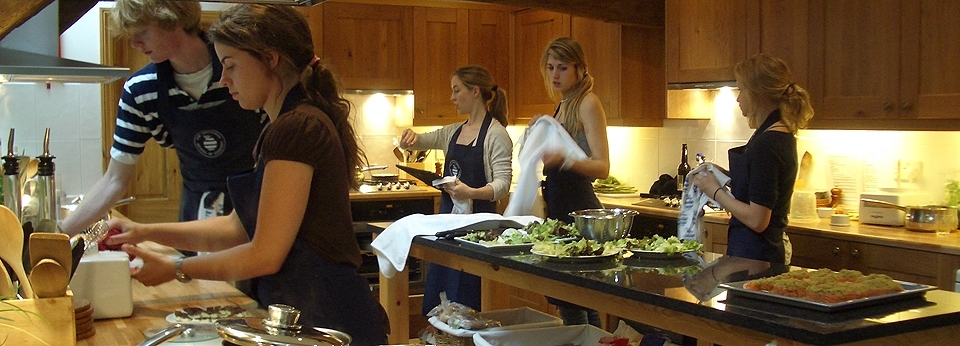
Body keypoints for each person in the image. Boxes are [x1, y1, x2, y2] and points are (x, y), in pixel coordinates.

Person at [105, 4, 388, 344]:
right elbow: (235, 227)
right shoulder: (284, 125)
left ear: (270, 59)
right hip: (307, 312)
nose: (224, 80)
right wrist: (142, 231)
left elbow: (264, 254)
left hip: (326, 317)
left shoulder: (296, 128)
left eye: (231, 66)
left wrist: (175, 269)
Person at [60, 0, 267, 244]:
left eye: (142, 32)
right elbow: (114, 180)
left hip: (260, 211)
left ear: (173, 19)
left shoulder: (241, 69)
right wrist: (56, 235)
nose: (135, 43)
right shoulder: (141, 91)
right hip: (195, 221)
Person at [398, 65, 513, 315]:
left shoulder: (497, 135)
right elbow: (420, 141)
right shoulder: (453, 132)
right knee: (441, 297)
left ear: (474, 91)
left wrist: (470, 192)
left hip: (479, 234)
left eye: (456, 90)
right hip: (448, 228)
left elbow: (502, 185)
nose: (451, 97)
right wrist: (407, 139)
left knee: (468, 301)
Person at [690, 54, 814, 267]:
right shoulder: (775, 134)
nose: (738, 98)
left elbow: (758, 220)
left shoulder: (769, 143)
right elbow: (757, 184)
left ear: (759, 94)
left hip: (758, 257)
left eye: (742, 90)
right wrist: (723, 175)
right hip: (753, 253)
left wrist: (715, 191)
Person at [530, 37, 610, 327]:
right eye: (550, 67)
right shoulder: (562, 105)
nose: (554, 75)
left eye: (562, 68)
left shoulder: (588, 103)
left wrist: (563, 157)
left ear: (580, 68)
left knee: (578, 300)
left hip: (580, 209)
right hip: (560, 209)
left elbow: (602, 166)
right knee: (569, 300)